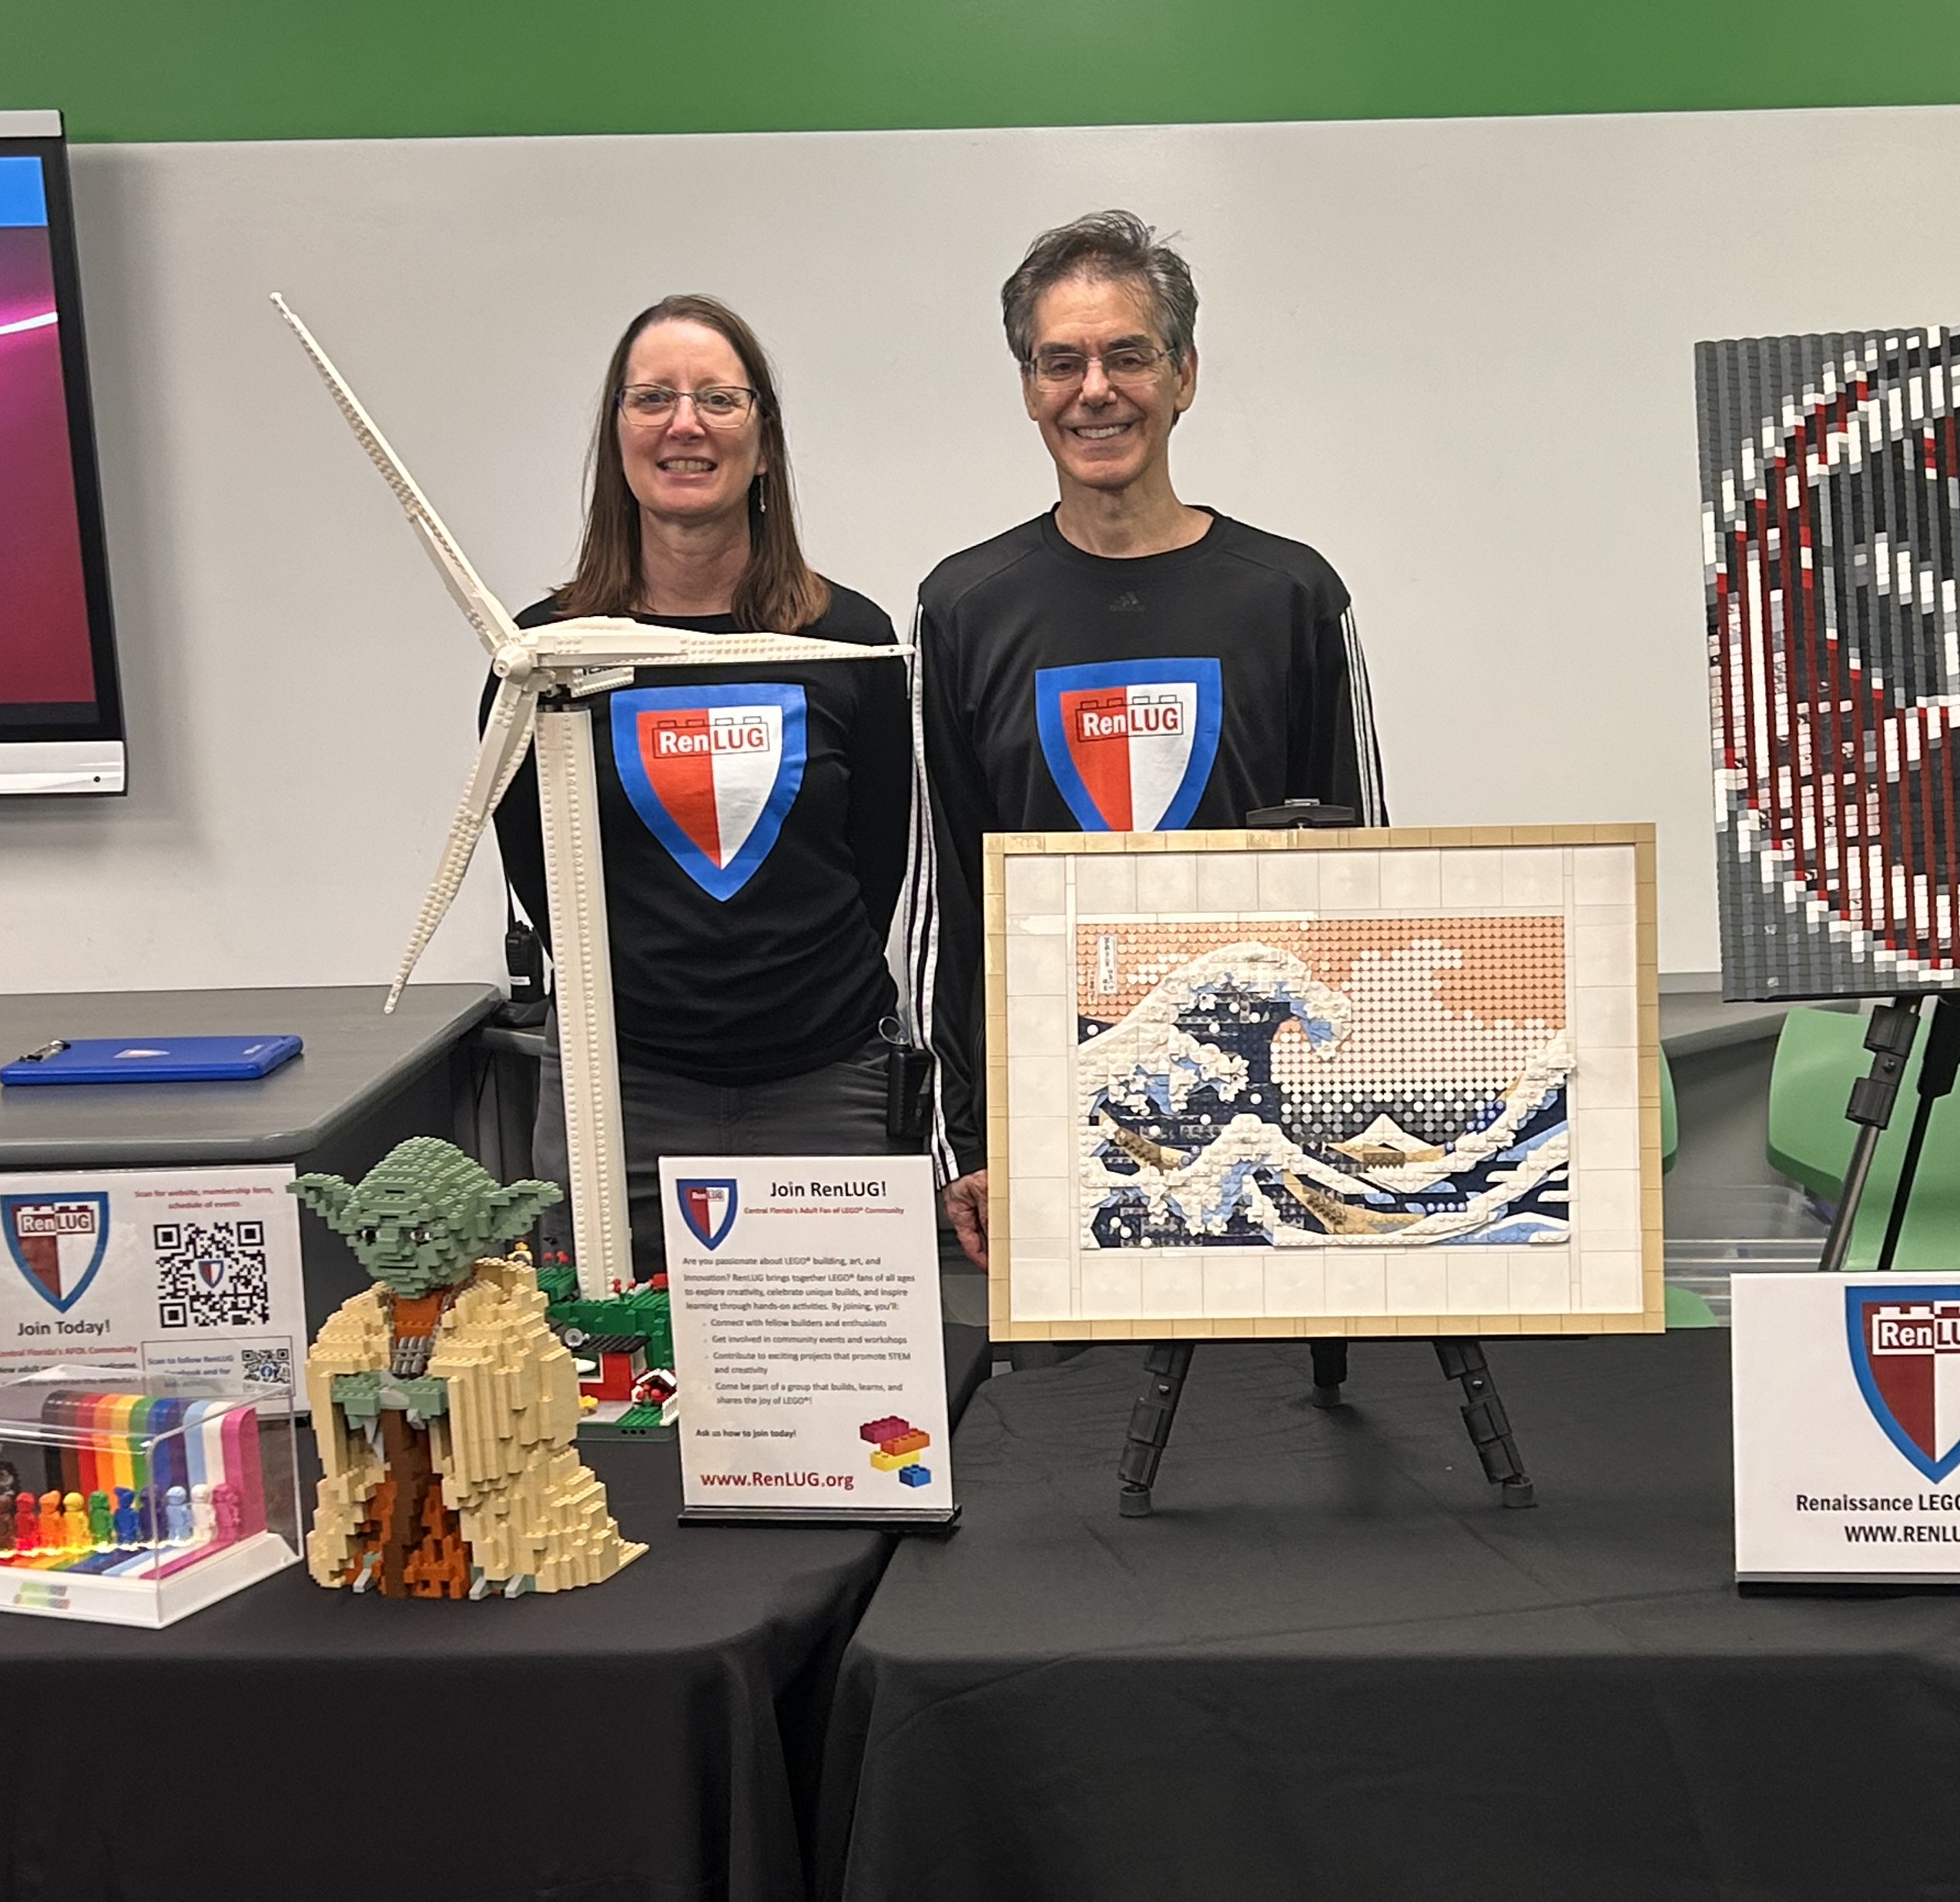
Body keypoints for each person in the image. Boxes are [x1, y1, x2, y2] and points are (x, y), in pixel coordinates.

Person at [912, 211, 1386, 1269]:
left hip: (1260, 1123)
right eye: (1061, 362)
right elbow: (951, 904)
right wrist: (971, 1143)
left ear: (1184, 375)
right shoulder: (964, 609)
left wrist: (1336, 1115)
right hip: (1050, 1127)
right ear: (1029, 388)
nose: (1095, 390)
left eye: (1128, 355)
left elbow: (1358, 886)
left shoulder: (1292, 596)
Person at [489, 294, 920, 1276]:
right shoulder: (544, 656)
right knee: (609, 1364)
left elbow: (876, 864)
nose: (684, 424)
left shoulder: (850, 641)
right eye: (653, 398)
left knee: (833, 1368)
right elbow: (539, 876)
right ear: (618, 437)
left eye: (718, 399)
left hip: (826, 1085)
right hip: (619, 1089)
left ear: (763, 442)